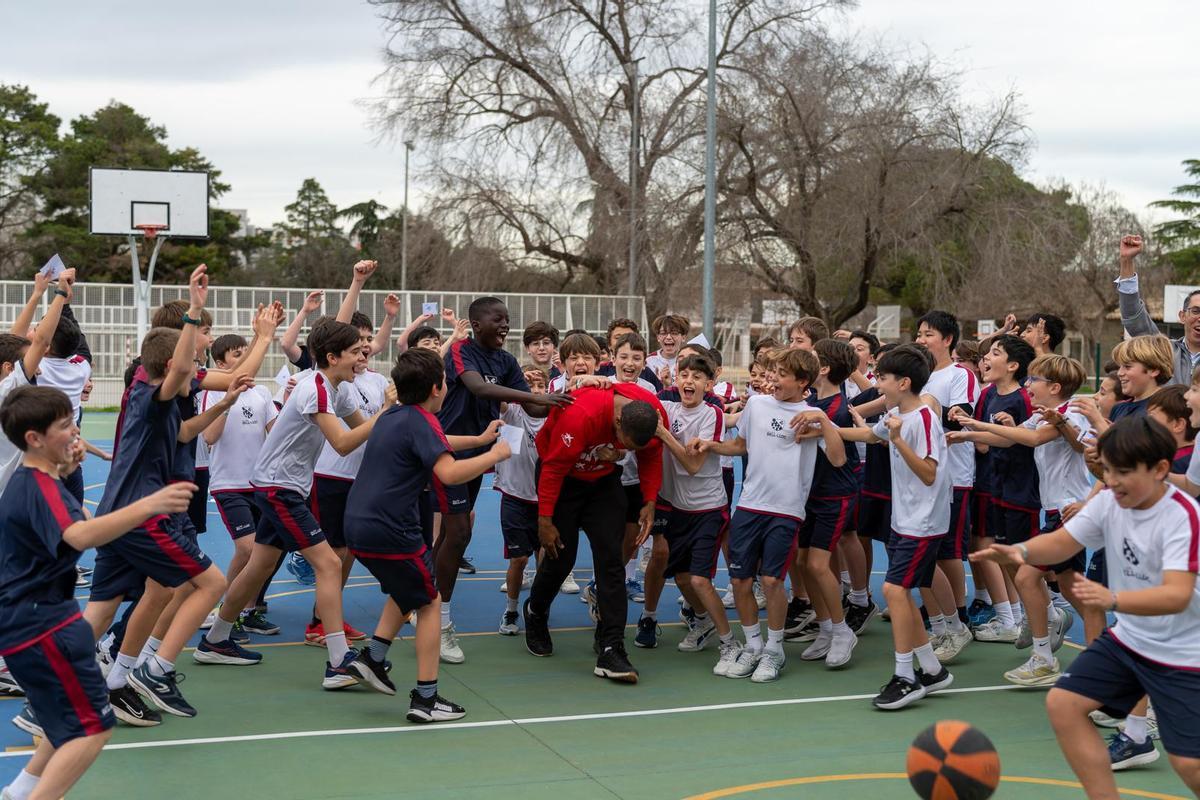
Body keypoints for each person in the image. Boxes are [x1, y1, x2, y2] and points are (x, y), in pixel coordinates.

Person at [974, 417, 1200, 799]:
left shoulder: (1183, 517)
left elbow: (1176, 595)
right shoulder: (1111, 501)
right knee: (1064, 704)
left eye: (1124, 472)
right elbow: (1063, 542)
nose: (1111, 481)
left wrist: (1113, 600)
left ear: (1161, 470)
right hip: (1130, 641)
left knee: (1188, 763)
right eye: (1107, 470)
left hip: (1182, 653)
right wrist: (1021, 550)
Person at [0, 385, 196, 800]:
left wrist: (67, 471)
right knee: (91, 728)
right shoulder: (37, 487)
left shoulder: (42, 482)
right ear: (34, 438)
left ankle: (18, 793)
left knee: (65, 722)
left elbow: (76, 524)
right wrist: (148, 504)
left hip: (38, 620)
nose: (75, 433)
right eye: (65, 425)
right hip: (40, 624)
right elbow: (82, 534)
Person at [80, 266, 238, 725]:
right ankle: (156, 669)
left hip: (116, 517)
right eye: (191, 366)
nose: (199, 373)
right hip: (140, 518)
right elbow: (184, 367)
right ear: (173, 368)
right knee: (210, 583)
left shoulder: (151, 400)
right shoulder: (155, 397)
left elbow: (186, 428)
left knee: (116, 602)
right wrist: (192, 309)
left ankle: (89, 684)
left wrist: (224, 403)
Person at [197, 317, 389, 688]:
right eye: (354, 351)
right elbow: (343, 443)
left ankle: (215, 639)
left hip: (284, 486)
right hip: (278, 488)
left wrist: (392, 420)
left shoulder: (341, 388)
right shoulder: (312, 388)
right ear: (332, 357)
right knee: (331, 564)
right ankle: (338, 662)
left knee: (258, 566)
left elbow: (362, 432)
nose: (362, 354)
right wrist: (387, 411)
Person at [344, 348, 512, 722]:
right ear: (439, 388)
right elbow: (449, 473)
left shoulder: (395, 416)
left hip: (358, 524)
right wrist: (496, 454)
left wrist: (481, 438)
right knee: (430, 602)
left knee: (408, 588)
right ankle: (425, 698)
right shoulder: (420, 421)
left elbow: (440, 441)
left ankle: (373, 658)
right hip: (390, 528)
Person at [692, 348, 845, 683]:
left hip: (787, 510)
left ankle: (774, 652)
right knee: (740, 580)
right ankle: (753, 646)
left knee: (774, 581)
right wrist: (712, 445)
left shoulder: (810, 414)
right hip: (749, 506)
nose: (773, 379)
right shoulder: (758, 405)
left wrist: (824, 422)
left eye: (782, 374)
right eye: (773, 371)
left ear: (803, 382)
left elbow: (836, 459)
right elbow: (741, 445)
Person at [434, 297, 569, 663]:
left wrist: (563, 398)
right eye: (498, 319)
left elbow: (533, 406)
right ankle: (440, 621)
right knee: (457, 533)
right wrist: (531, 395)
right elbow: (480, 389)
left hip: (478, 456)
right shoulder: (462, 352)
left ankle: (425, 601)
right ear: (476, 324)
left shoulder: (507, 361)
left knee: (450, 535)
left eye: (508, 319)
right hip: (448, 451)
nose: (505, 325)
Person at [953, 354, 1091, 685]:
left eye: (1034, 380)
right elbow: (1009, 437)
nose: (1028, 386)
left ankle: (1043, 658)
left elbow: (1032, 440)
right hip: (1058, 512)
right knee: (1073, 588)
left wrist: (976, 424)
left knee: (1027, 577)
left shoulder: (1068, 415)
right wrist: (968, 435)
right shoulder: (1041, 416)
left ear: (1054, 387)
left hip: (1071, 512)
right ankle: (1112, 649)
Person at [523, 382, 667, 684]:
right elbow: (553, 467)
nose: (627, 450)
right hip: (563, 477)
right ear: (617, 422)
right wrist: (545, 521)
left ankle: (611, 645)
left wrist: (650, 500)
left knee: (611, 559)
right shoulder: (581, 414)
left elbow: (651, 456)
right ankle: (535, 610)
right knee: (562, 557)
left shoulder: (652, 413)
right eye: (625, 443)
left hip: (602, 482)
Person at [838, 345, 954, 710]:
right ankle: (932, 670)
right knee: (899, 593)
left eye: (882, 378)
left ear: (903, 383)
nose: (876, 383)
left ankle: (906, 676)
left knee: (893, 590)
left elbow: (929, 471)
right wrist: (827, 427)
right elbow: (872, 436)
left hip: (924, 521)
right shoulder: (895, 414)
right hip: (905, 519)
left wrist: (899, 440)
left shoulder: (922, 419)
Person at [653, 354, 741, 673]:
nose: (688, 380)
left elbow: (692, 466)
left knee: (701, 580)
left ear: (709, 383)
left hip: (708, 508)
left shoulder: (712, 415)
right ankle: (702, 621)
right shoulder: (668, 409)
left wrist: (664, 435)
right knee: (681, 577)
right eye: (683, 374)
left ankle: (730, 643)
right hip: (678, 509)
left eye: (696, 376)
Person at [200, 335, 280, 636]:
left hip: (259, 484)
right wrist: (227, 400)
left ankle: (248, 610)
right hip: (228, 484)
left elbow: (275, 436)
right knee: (247, 549)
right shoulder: (215, 392)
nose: (246, 359)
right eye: (238, 355)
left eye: (247, 353)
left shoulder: (262, 393)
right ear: (221, 364)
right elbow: (209, 436)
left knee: (263, 554)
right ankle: (227, 611)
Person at [913, 310, 978, 664]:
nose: (922, 339)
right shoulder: (918, 375)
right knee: (927, 552)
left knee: (948, 552)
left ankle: (959, 617)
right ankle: (941, 619)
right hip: (921, 476)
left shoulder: (959, 375)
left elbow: (961, 418)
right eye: (919, 334)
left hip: (954, 476)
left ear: (948, 339)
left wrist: (930, 417)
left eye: (929, 334)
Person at [795, 339, 863, 667]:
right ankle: (825, 627)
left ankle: (842, 630)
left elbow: (837, 459)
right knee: (803, 561)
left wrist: (822, 426)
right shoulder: (812, 400)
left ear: (822, 368)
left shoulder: (836, 408)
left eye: (810, 357)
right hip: (811, 492)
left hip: (835, 495)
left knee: (819, 564)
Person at [968, 335, 1037, 644]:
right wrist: (968, 428)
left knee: (1023, 560)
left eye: (994, 353)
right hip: (994, 484)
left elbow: (1006, 440)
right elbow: (983, 436)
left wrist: (971, 430)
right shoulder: (987, 396)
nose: (986, 359)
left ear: (1012, 365)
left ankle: (1043, 615)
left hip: (1021, 490)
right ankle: (1022, 617)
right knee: (1005, 555)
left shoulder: (1024, 399)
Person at [495, 364, 552, 633]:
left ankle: (538, 609)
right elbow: (498, 396)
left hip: (545, 501)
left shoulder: (553, 416)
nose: (536, 390)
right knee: (518, 560)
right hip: (515, 497)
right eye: (529, 385)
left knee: (546, 560)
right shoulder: (512, 412)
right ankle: (511, 610)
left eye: (540, 385)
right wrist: (513, 382)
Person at [1115, 233, 1200, 386]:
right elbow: (1134, 317)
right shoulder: (1164, 351)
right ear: (1182, 316)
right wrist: (1126, 260)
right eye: (1196, 311)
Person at [646, 314, 690, 385]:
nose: (668, 337)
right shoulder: (648, 361)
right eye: (663, 333)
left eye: (674, 333)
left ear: (683, 337)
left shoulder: (690, 361)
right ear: (658, 337)